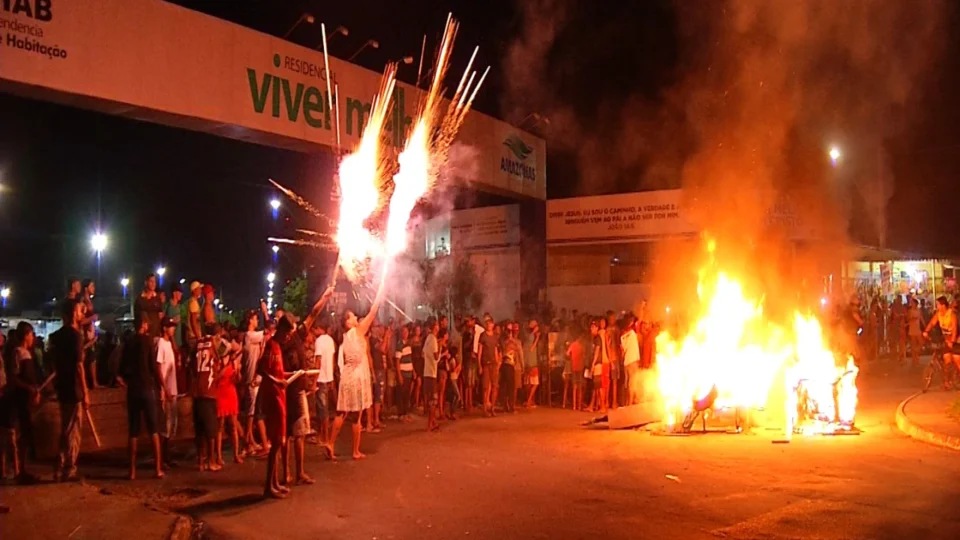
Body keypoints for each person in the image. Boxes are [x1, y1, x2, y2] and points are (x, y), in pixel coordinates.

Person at [327, 281, 386, 461]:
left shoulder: (345, 337)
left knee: (343, 413)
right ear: (348, 322)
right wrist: (381, 290)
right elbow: (373, 311)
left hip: (348, 377)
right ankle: (355, 451)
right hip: (357, 378)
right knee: (357, 416)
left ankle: (330, 443)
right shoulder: (358, 331)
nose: (355, 318)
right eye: (352, 316)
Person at [118, 315, 163, 480]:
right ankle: (158, 468)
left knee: (133, 431)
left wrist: (126, 382)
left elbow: (121, 369)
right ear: (143, 325)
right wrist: (160, 386)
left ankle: (132, 471)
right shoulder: (147, 342)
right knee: (154, 429)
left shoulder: (129, 343)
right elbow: (152, 366)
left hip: (133, 389)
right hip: (146, 387)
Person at [48, 298, 89, 482]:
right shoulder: (75, 336)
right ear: (73, 313)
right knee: (73, 431)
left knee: (65, 428)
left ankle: (60, 465)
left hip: (62, 387)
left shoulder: (55, 337)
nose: (82, 314)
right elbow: (79, 366)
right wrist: (86, 391)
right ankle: (69, 468)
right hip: (73, 387)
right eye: (80, 311)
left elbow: (53, 364)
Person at [1, 322, 41, 483]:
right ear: (25, 335)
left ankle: (22, 469)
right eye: (31, 334)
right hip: (18, 400)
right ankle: (20, 470)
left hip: (26, 399)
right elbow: (14, 377)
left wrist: (34, 389)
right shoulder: (18, 353)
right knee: (19, 434)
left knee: (25, 434)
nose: (33, 338)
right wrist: (29, 389)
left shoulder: (27, 353)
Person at [259, 326, 290, 499]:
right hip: (273, 398)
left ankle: (275, 482)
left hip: (280, 397)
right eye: (288, 333)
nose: (288, 337)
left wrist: (288, 375)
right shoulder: (270, 346)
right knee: (276, 440)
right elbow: (262, 370)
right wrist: (277, 381)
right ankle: (268, 486)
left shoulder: (278, 347)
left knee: (280, 441)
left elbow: (276, 372)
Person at [191, 324, 221, 472]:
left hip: (197, 392)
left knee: (199, 429)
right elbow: (217, 365)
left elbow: (191, 364)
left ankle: (200, 461)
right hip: (209, 391)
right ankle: (211, 461)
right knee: (211, 430)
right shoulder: (213, 346)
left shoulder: (198, 344)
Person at [214, 326, 243, 465]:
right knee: (220, 426)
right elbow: (216, 377)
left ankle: (236, 454)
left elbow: (238, 379)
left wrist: (237, 373)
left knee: (232, 425)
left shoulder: (233, 361)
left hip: (231, 392)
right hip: (221, 392)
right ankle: (219, 456)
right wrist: (227, 365)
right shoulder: (218, 362)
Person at [155, 317, 179, 468]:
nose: (173, 329)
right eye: (170, 327)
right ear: (164, 328)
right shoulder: (161, 343)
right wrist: (164, 389)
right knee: (165, 425)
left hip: (172, 389)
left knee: (171, 425)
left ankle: (167, 457)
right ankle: (162, 458)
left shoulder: (169, 343)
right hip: (166, 391)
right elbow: (158, 367)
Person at [923, 296, 959, 376]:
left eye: (938, 305)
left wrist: (952, 342)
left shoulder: (951, 314)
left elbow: (954, 329)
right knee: (946, 360)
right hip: (946, 339)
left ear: (943, 305)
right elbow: (932, 323)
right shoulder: (938, 314)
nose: (937, 306)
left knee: (957, 360)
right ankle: (946, 382)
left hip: (955, 339)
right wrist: (926, 331)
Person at [313, 320, 336, 445]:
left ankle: (324, 437)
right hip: (328, 377)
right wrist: (332, 378)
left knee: (322, 410)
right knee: (324, 408)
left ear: (318, 328)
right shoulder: (330, 340)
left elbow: (318, 361)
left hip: (321, 378)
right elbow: (332, 360)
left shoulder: (319, 341)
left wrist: (314, 380)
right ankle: (322, 434)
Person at [477, 318, 500, 417]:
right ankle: (485, 409)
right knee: (486, 387)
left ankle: (493, 408)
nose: (489, 325)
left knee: (495, 386)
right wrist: (479, 365)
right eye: (487, 323)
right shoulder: (483, 336)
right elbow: (479, 351)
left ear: (493, 325)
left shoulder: (495, 337)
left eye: (490, 323)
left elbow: (495, 351)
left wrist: (498, 363)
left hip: (493, 364)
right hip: (485, 363)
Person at [80, 279, 100, 388]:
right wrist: (92, 318)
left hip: (90, 332)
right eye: (92, 286)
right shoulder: (83, 302)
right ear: (86, 288)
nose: (94, 288)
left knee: (92, 358)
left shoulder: (89, 301)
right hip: (85, 334)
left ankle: (94, 382)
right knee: (83, 358)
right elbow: (81, 320)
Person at [422, 318, 440, 432]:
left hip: (426, 372)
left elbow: (423, 353)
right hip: (432, 373)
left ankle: (433, 421)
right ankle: (430, 424)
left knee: (430, 399)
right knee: (433, 400)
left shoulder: (428, 338)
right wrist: (441, 348)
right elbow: (436, 357)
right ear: (435, 327)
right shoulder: (433, 339)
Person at [501, 322, 523, 413]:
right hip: (508, 365)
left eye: (516, 330)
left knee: (514, 387)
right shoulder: (505, 341)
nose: (514, 332)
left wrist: (522, 365)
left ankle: (512, 405)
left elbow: (520, 354)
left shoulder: (517, 342)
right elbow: (503, 351)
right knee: (508, 387)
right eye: (511, 330)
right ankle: (508, 405)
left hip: (515, 366)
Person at [394, 325, 414, 423]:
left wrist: (413, 371)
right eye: (404, 332)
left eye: (407, 332)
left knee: (407, 394)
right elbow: (397, 361)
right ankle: (401, 414)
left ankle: (406, 413)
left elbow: (410, 359)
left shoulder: (408, 345)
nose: (406, 334)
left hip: (409, 373)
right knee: (402, 394)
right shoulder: (399, 345)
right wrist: (399, 375)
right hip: (403, 373)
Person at [135, 274, 163, 339]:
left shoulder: (157, 298)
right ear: (146, 282)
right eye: (151, 281)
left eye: (155, 282)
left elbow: (160, 315)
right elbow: (137, 317)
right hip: (145, 335)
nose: (153, 284)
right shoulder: (140, 299)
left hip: (156, 334)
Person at [621, 316, 641, 405]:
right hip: (632, 361)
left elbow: (622, 350)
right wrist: (642, 307)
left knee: (628, 383)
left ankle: (627, 402)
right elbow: (639, 321)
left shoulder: (622, 337)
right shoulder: (632, 333)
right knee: (633, 382)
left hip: (626, 362)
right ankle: (630, 402)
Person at [524, 320, 541, 408]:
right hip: (531, 362)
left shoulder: (528, 336)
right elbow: (532, 348)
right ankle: (529, 400)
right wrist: (537, 337)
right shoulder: (530, 336)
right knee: (535, 383)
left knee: (530, 383)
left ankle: (530, 401)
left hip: (528, 362)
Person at [906, 297, 924, 367]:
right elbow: (908, 319)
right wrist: (912, 319)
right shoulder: (910, 311)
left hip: (918, 328)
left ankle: (917, 356)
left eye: (913, 303)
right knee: (913, 344)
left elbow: (921, 318)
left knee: (921, 342)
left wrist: (925, 326)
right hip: (912, 328)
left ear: (916, 303)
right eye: (911, 303)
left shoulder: (919, 310)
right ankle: (914, 360)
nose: (912, 304)